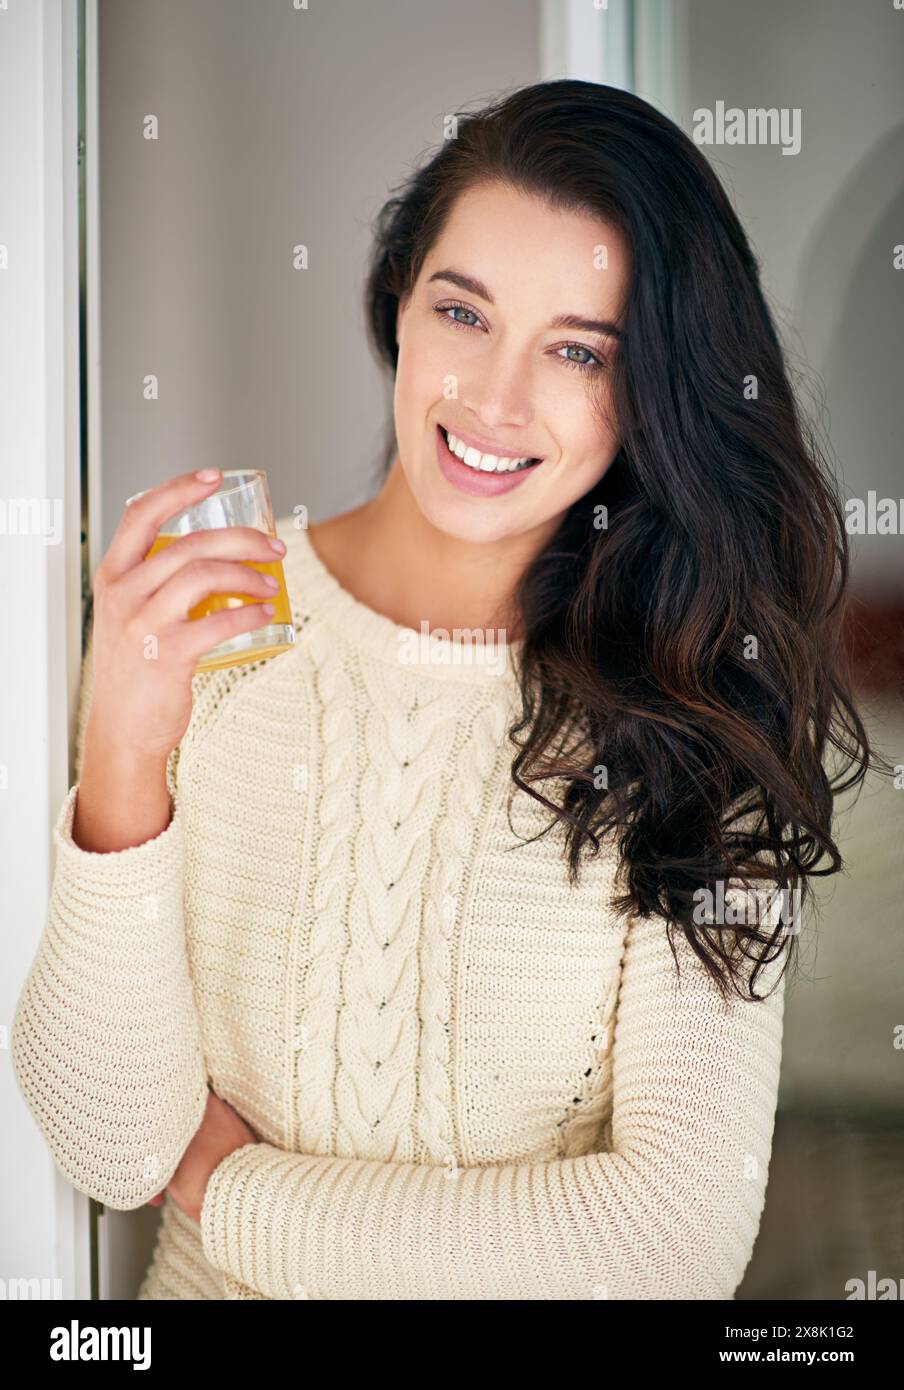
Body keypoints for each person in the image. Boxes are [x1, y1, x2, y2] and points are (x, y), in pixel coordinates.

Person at [11, 79, 873, 1300]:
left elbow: (667, 1245)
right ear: (397, 309)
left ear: (653, 395)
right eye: (462, 312)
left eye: (579, 350)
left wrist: (232, 1191)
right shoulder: (204, 629)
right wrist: (122, 753)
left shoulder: (697, 710)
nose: (494, 399)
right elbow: (109, 1139)